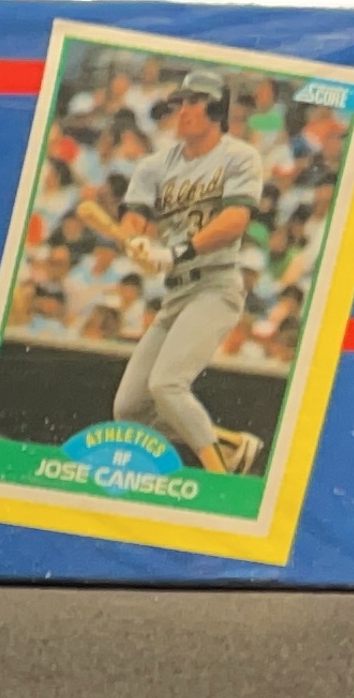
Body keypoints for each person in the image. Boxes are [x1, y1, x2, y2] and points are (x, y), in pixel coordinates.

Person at [73, 66, 271, 475]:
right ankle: (231, 445)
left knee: (167, 385)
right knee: (129, 409)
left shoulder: (240, 157)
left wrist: (176, 251)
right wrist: (138, 242)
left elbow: (235, 220)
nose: (183, 111)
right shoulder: (155, 166)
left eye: (194, 102)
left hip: (216, 284)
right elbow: (133, 221)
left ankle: (219, 475)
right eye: (180, 103)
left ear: (216, 109)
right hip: (176, 293)